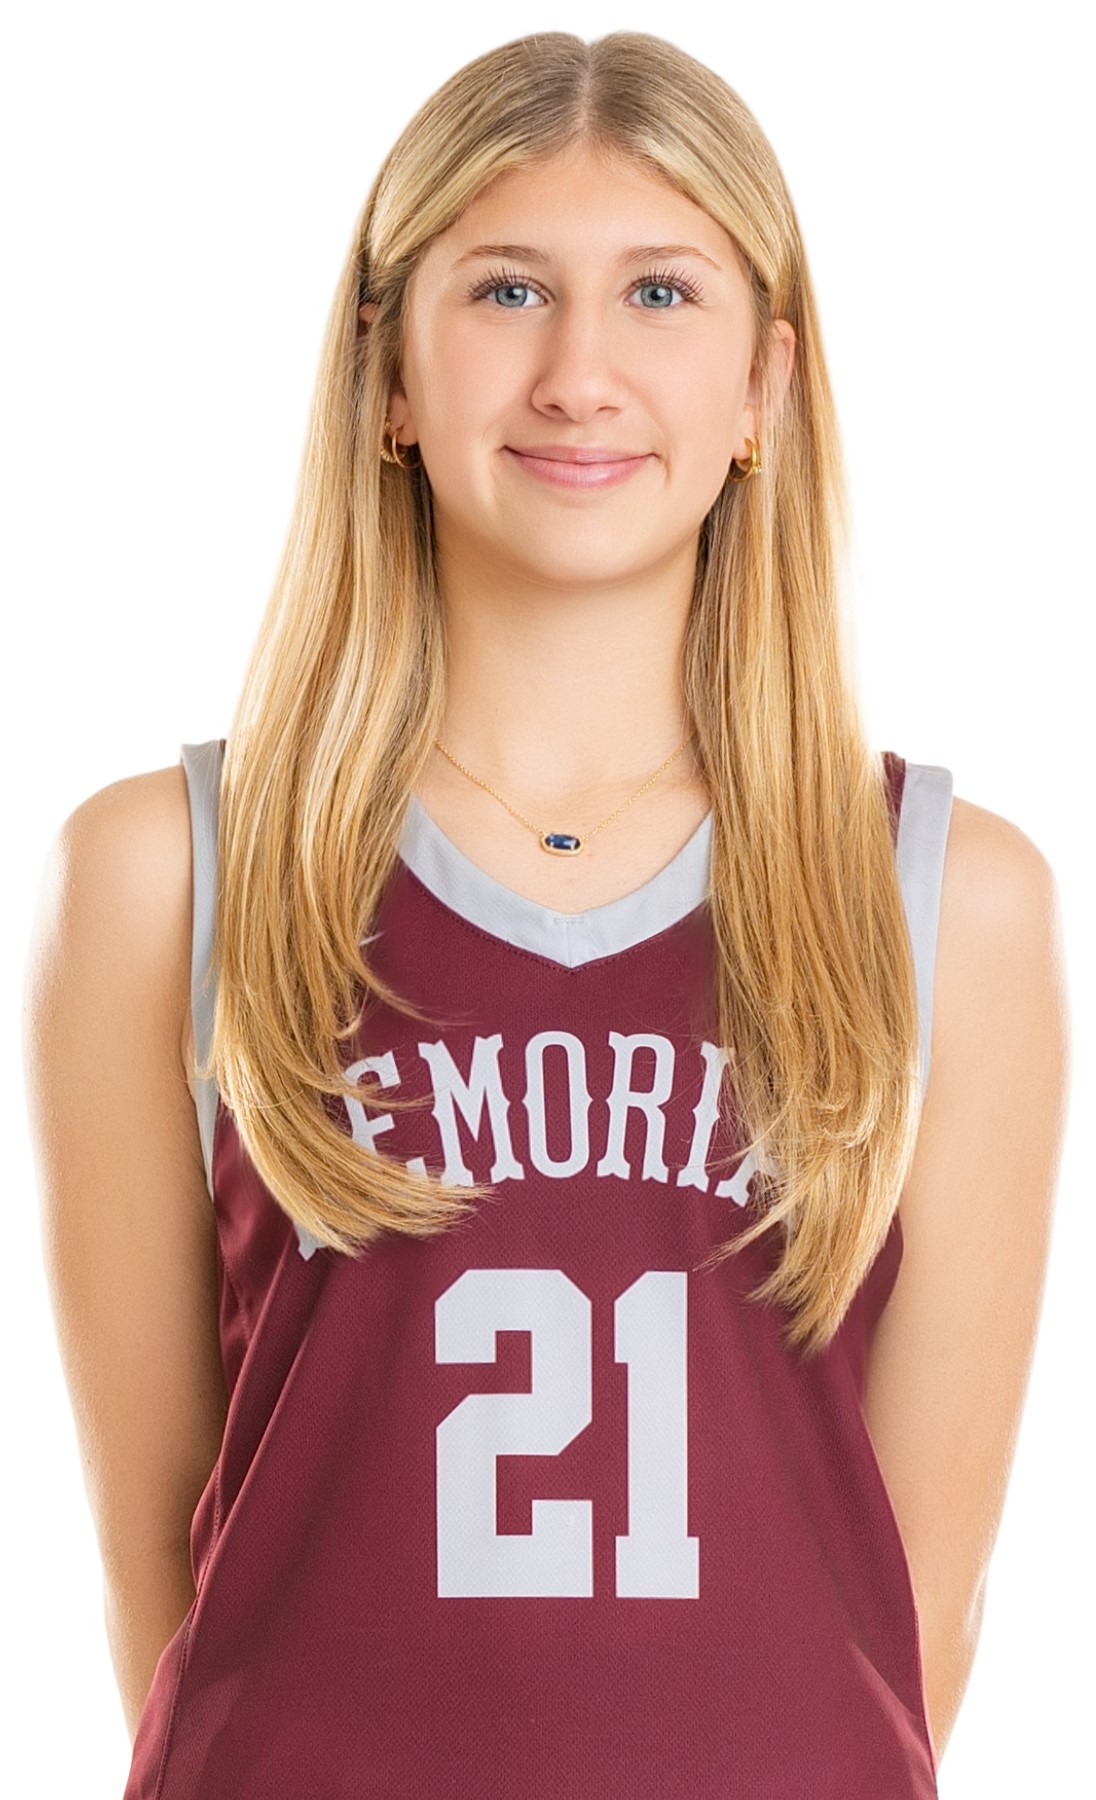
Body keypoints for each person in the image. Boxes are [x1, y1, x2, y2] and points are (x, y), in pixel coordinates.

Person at [22, 29, 1068, 1800]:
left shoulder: (945, 897)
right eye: (507, 289)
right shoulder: (168, 873)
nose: (582, 374)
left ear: (767, 384)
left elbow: (916, 1610)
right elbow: (169, 1570)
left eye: (661, 293)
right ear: (388, 373)